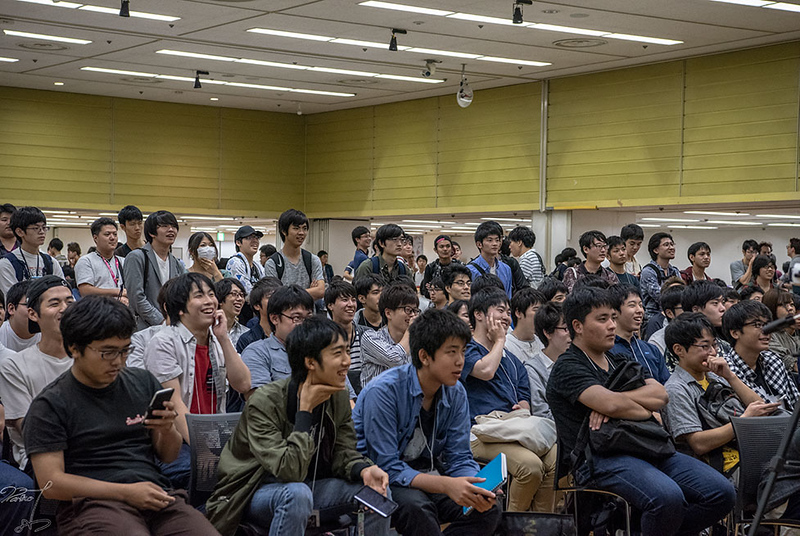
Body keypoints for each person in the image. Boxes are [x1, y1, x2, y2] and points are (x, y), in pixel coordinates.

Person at [547, 286, 735, 536]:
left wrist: (616, 401)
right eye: (602, 319)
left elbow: (660, 395)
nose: (612, 326)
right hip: (600, 457)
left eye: (613, 318)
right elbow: (614, 406)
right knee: (667, 498)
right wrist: (631, 407)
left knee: (721, 493)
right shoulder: (568, 366)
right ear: (577, 326)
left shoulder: (619, 360)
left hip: (646, 445)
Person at [24, 296, 219, 535]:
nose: (118, 361)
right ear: (74, 348)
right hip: (91, 504)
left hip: (154, 495)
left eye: (125, 350)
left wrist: (167, 429)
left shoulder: (142, 382)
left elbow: (168, 456)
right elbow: (51, 484)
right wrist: (126, 492)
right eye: (107, 352)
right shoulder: (50, 405)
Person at [207, 317, 392, 536]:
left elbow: (344, 452)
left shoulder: (339, 395)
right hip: (252, 492)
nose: (347, 361)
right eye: (337, 353)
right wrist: (304, 412)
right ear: (311, 362)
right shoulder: (264, 402)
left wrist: (363, 469)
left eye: (347, 351)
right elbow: (289, 471)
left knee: (377, 491)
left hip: (309, 487)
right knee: (296, 494)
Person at [353, 308, 502, 536]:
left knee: (488, 508)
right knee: (418, 509)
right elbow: (386, 466)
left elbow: (459, 456)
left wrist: (478, 484)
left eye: (463, 352)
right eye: (451, 352)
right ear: (424, 356)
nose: (460, 361)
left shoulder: (456, 391)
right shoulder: (384, 392)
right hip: (384, 481)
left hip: (430, 474)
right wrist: (446, 485)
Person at [142, 273, 251, 488]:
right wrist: (208, 451)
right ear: (180, 309)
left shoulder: (217, 338)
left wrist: (223, 338)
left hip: (217, 435)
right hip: (179, 442)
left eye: (211, 294)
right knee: (207, 472)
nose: (209, 301)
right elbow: (175, 404)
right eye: (199, 296)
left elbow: (244, 384)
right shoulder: (164, 342)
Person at [462, 287, 556, 512]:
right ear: (479, 314)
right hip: (480, 433)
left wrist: (522, 406)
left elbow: (524, 399)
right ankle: (512, 523)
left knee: (557, 459)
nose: (506, 317)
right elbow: (485, 371)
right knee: (530, 467)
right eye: (500, 310)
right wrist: (499, 341)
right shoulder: (465, 349)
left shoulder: (513, 360)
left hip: (514, 428)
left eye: (507, 311)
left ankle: (538, 524)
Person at [661, 312, 778, 476]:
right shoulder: (676, 388)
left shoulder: (716, 376)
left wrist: (731, 377)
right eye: (705, 347)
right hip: (721, 468)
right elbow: (698, 444)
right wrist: (743, 421)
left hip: (750, 454)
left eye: (714, 345)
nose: (713, 352)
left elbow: (761, 408)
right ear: (679, 350)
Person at [0, 275, 74, 470]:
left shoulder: (91, 357)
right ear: (33, 314)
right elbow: (30, 430)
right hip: (42, 458)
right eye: (54, 303)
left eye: (70, 302)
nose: (65, 309)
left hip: (97, 453)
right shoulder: (14, 366)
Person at [723, 300, 800, 410]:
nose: (766, 331)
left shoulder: (773, 360)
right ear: (735, 333)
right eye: (757, 325)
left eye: (767, 325)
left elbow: (796, 401)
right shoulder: (726, 369)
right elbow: (764, 412)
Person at [241, 285, 315, 396]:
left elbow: (342, 394)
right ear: (275, 318)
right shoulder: (257, 352)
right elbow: (259, 400)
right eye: (296, 318)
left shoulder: (319, 350)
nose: (304, 324)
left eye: (308, 318)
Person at [124, 210, 184, 330]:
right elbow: (136, 297)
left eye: (173, 226)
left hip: (172, 327)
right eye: (164, 226)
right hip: (143, 328)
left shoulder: (176, 263)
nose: (171, 230)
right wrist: (161, 321)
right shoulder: (137, 257)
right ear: (152, 233)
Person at [608, 284, 670, 384]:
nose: (640, 310)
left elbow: (667, 385)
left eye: (641, 305)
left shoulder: (652, 349)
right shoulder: (607, 351)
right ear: (614, 311)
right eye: (632, 305)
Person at [360, 282, 419, 388]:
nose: (413, 315)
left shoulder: (416, 342)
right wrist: (411, 330)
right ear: (388, 313)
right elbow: (395, 359)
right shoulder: (371, 337)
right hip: (377, 397)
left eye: (415, 311)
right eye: (408, 310)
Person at [0, 206, 64, 297]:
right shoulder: (7, 264)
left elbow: (63, 291)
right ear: (20, 232)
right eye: (36, 228)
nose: (42, 232)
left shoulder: (51, 262)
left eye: (44, 227)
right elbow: (11, 299)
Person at [264, 209, 325, 300]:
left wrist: (287, 293)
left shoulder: (312, 260)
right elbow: (275, 298)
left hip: (308, 310)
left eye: (304, 228)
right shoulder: (273, 263)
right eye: (296, 228)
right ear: (284, 231)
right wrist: (309, 292)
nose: (301, 233)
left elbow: (320, 291)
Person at [524, 303, 571, 419]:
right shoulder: (533, 370)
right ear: (547, 333)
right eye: (566, 328)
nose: (572, 333)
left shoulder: (578, 360)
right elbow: (541, 413)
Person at [325, 279, 365, 394]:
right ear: (330, 305)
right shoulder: (324, 339)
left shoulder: (366, 334)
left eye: (353, 300)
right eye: (345, 300)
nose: (351, 304)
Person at [75, 217, 127, 303]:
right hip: (97, 308)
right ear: (95, 238)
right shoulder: (86, 261)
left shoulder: (123, 261)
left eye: (115, 234)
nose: (112, 238)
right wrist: (118, 292)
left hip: (122, 308)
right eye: (107, 234)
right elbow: (85, 291)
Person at [235, 276, 283, 353]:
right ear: (257, 305)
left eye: (279, 296)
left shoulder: (289, 334)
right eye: (270, 297)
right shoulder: (247, 340)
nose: (276, 301)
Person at [466, 221, 513, 298]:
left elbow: (508, 296)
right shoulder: (471, 270)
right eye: (490, 240)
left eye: (497, 240)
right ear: (479, 244)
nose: (495, 244)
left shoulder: (506, 269)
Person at [640, 232, 680, 321]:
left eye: (672, 244)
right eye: (666, 245)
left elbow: (682, 294)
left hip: (673, 316)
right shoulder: (648, 271)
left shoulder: (674, 271)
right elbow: (661, 297)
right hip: (653, 318)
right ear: (656, 250)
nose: (671, 248)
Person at [505, 287, 546, 363]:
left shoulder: (542, 342)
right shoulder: (506, 345)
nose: (541, 315)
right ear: (518, 313)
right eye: (536, 310)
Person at [762, 289, 800, 373]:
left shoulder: (795, 330)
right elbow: (792, 363)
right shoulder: (767, 335)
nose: (790, 308)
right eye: (783, 305)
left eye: (792, 304)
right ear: (772, 308)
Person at [0, 280, 40, 352]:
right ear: (11, 308)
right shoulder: (1, 333)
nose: (36, 310)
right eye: (30, 304)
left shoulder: (49, 336)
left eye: (39, 304)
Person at [226, 225, 264, 298]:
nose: (255, 241)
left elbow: (267, 287)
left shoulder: (257, 266)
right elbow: (246, 293)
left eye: (257, 238)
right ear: (238, 243)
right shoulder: (235, 263)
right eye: (249, 238)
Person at [647, 285, 685, 354]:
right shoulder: (657, 341)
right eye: (684, 308)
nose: (690, 311)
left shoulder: (701, 332)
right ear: (669, 313)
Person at [421, 235, 459, 299]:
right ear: (435, 250)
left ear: (452, 249)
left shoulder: (459, 267)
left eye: (448, 246)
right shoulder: (430, 268)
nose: (445, 249)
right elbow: (426, 291)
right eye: (441, 247)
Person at [215, 278, 248, 347]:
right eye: (234, 294)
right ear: (220, 300)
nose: (240, 299)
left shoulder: (246, 333)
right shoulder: (208, 330)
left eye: (242, 295)